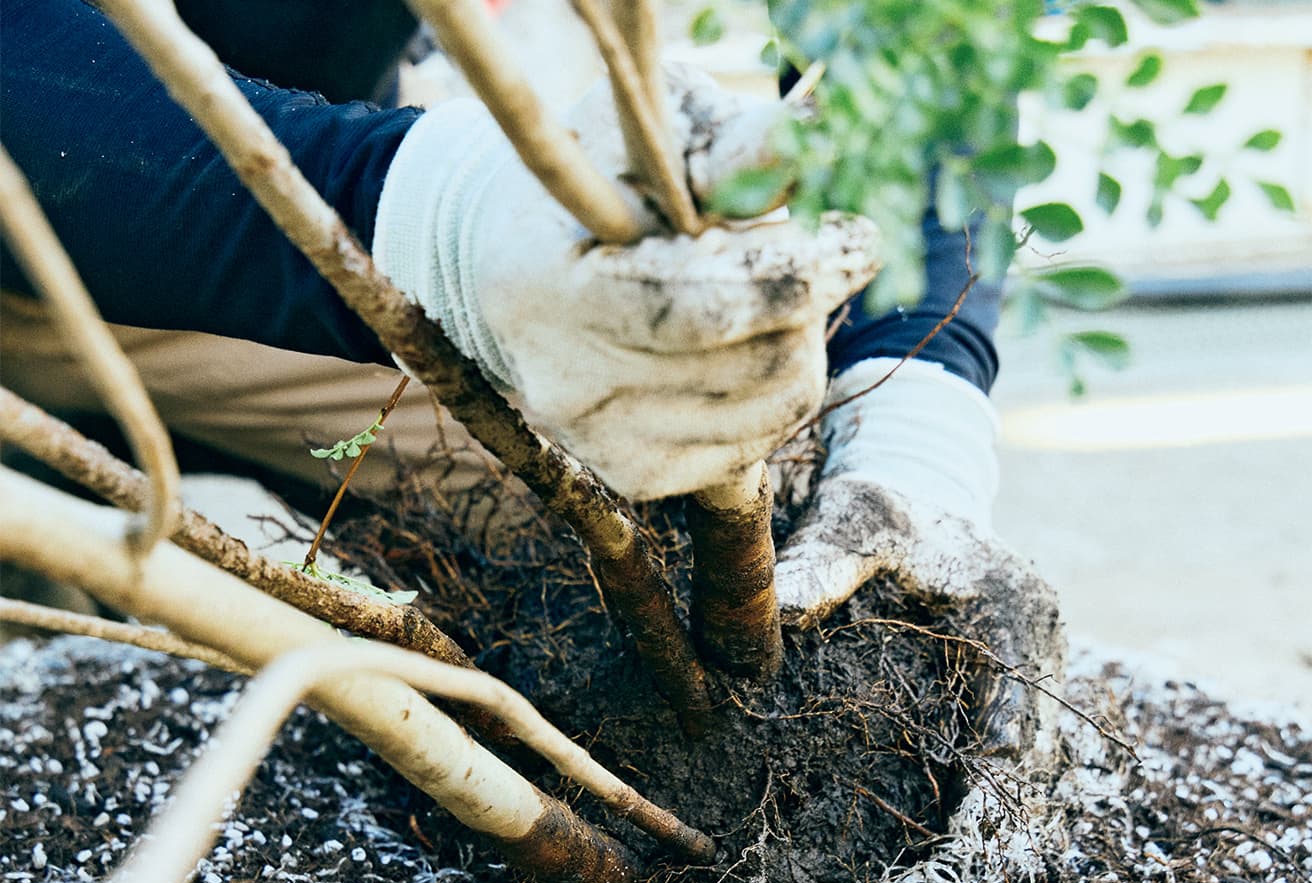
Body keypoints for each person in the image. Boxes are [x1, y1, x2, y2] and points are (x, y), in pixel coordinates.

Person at [1, 0, 1061, 763]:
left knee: (628, 505)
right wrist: (420, 213)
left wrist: (919, 391)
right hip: (97, 196)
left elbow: (918, 41)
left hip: (281, 207)